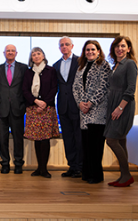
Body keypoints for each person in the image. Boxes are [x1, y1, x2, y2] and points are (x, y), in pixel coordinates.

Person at [73, 40, 111, 184]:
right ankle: (87, 173)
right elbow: (75, 87)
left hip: (98, 112)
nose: (90, 52)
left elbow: (103, 87)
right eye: (87, 50)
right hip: (83, 112)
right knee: (87, 145)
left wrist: (90, 103)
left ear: (98, 51)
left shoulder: (104, 66)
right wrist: (80, 104)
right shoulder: (81, 67)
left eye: (93, 49)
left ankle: (96, 175)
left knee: (96, 146)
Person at [104, 36, 137, 187]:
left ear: (128, 49)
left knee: (111, 139)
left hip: (123, 107)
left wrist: (120, 107)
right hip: (114, 106)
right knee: (121, 140)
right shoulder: (116, 65)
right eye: (117, 46)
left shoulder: (130, 64)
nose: (120, 49)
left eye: (123, 46)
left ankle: (127, 175)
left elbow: (130, 90)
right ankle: (124, 176)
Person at [23, 47, 59, 178]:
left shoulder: (51, 70)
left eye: (38, 53)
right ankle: (39, 168)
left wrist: (44, 103)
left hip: (47, 108)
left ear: (43, 56)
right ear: (31, 58)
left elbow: (54, 88)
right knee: (36, 140)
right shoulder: (28, 72)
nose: (36, 56)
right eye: (33, 54)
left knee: (45, 140)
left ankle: (44, 169)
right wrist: (35, 101)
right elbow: (25, 90)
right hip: (33, 108)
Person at [0, 44, 27, 174]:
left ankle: (18, 164)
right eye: (8, 51)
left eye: (13, 51)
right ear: (4, 53)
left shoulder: (23, 68)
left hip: (18, 108)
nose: (10, 53)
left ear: (16, 53)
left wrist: (25, 105)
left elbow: (26, 87)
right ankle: (5, 163)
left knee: (18, 139)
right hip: (1, 108)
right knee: (3, 139)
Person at [53, 36, 82, 178]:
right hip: (63, 106)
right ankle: (72, 166)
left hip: (77, 105)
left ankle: (80, 167)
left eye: (67, 44)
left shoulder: (80, 62)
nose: (64, 47)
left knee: (79, 137)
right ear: (59, 48)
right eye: (61, 45)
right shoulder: (56, 65)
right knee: (68, 138)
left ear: (72, 46)